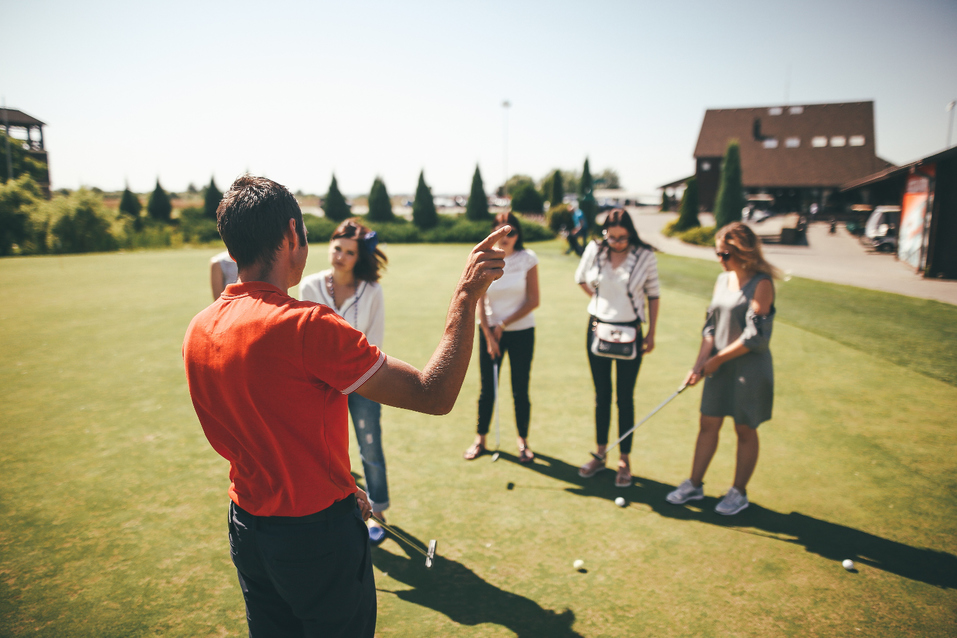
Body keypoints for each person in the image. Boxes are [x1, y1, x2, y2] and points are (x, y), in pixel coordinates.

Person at [183, 175, 507, 638]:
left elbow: (266, 430)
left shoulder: (199, 326)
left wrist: (335, 483)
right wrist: (466, 296)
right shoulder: (309, 326)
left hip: (247, 528)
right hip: (315, 539)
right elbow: (433, 394)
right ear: (293, 234)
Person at [665, 221, 779, 516]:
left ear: (743, 253)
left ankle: (738, 493)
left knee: (744, 428)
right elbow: (710, 328)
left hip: (748, 369)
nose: (720, 259)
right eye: (718, 253)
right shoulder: (722, 279)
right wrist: (699, 364)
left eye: (725, 254)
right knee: (708, 423)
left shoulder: (762, 284)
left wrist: (715, 361)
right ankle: (694, 484)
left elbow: (755, 337)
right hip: (718, 365)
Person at [299, 219, 391, 545]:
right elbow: (304, 340)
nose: (340, 256)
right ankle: (330, 513)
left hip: (363, 383)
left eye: (349, 252)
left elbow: (375, 342)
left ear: (358, 257)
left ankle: (378, 514)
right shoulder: (309, 287)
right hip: (320, 386)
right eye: (337, 248)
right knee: (324, 453)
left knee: (370, 448)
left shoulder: (373, 291)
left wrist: (362, 380)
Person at [575, 209, 660, 488]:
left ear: (630, 234)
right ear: (605, 234)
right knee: (601, 394)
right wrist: (601, 301)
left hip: (631, 330)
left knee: (625, 397)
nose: (617, 243)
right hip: (598, 327)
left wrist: (651, 333)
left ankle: (624, 460)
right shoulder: (595, 250)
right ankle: (600, 454)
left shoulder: (645, 256)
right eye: (612, 237)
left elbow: (653, 294)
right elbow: (580, 278)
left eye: (623, 238)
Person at [463, 212, 540, 463]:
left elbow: (533, 300)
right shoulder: (487, 260)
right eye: (500, 230)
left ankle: (523, 442)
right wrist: (489, 334)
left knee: (520, 389)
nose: (506, 237)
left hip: (521, 332)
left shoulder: (528, 259)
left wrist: (503, 325)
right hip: (490, 333)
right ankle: (480, 439)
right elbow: (480, 300)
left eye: (511, 232)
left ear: (518, 234)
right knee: (488, 389)